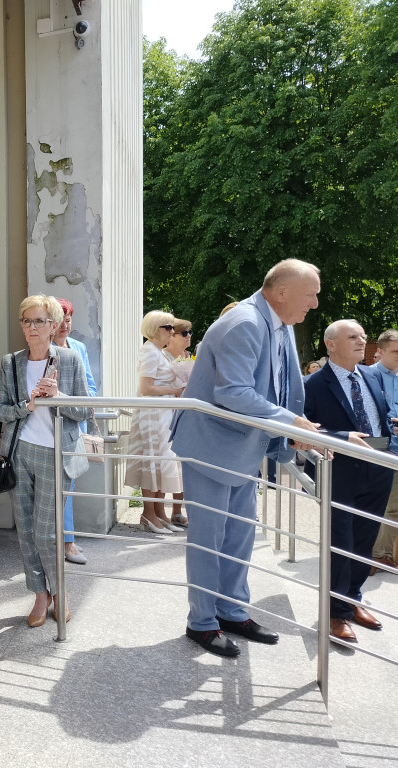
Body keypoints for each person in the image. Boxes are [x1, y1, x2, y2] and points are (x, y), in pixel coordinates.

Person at [171, 258, 321, 658]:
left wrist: (295, 431)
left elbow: (282, 387)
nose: (316, 304)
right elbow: (234, 393)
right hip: (210, 449)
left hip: (243, 448)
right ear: (283, 292)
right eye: (311, 294)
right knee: (209, 539)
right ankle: (201, 623)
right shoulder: (245, 323)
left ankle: (232, 611)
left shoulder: (279, 325)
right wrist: (291, 423)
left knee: (239, 537)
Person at [0, 295, 91, 627]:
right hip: (20, 452)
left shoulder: (70, 359)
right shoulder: (12, 362)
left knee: (48, 533)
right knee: (26, 530)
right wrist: (30, 404)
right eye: (26, 321)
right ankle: (39, 594)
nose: (31, 327)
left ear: (53, 325)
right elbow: (1, 411)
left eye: (38, 321)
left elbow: (83, 411)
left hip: (55, 453)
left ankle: (60, 592)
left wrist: (58, 397)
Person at [304, 320, 395, 642]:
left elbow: (379, 416)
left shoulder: (372, 376)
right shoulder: (313, 384)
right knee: (340, 543)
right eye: (353, 337)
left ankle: (352, 599)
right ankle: (335, 614)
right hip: (339, 470)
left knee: (364, 541)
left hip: (379, 467)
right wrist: (342, 436)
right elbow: (303, 428)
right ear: (330, 344)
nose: (362, 341)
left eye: (363, 336)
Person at [123, 310, 185, 534]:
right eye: (167, 327)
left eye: (172, 327)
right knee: (153, 462)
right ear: (154, 329)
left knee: (162, 463)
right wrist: (174, 390)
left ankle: (160, 513)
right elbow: (145, 388)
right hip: (152, 415)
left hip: (162, 414)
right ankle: (148, 513)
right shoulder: (149, 351)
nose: (172, 331)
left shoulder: (160, 352)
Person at [52, 297, 97, 564]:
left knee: (69, 482)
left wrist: (83, 400)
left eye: (69, 319)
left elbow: (90, 385)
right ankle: (64, 542)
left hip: (75, 423)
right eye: (61, 320)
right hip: (50, 424)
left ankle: (67, 540)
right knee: (54, 485)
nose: (66, 325)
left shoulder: (78, 347)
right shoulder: (41, 348)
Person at [370, 329, 398, 574]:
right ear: (380, 351)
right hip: (379, 449)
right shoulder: (367, 376)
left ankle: (385, 554)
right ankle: (379, 556)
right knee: (386, 506)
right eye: (396, 351)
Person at [166, 318, 194, 527]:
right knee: (169, 464)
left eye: (190, 332)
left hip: (184, 413)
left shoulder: (187, 357)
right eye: (184, 333)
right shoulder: (163, 357)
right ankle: (162, 511)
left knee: (183, 465)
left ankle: (178, 510)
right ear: (171, 335)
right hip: (166, 414)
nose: (188, 336)